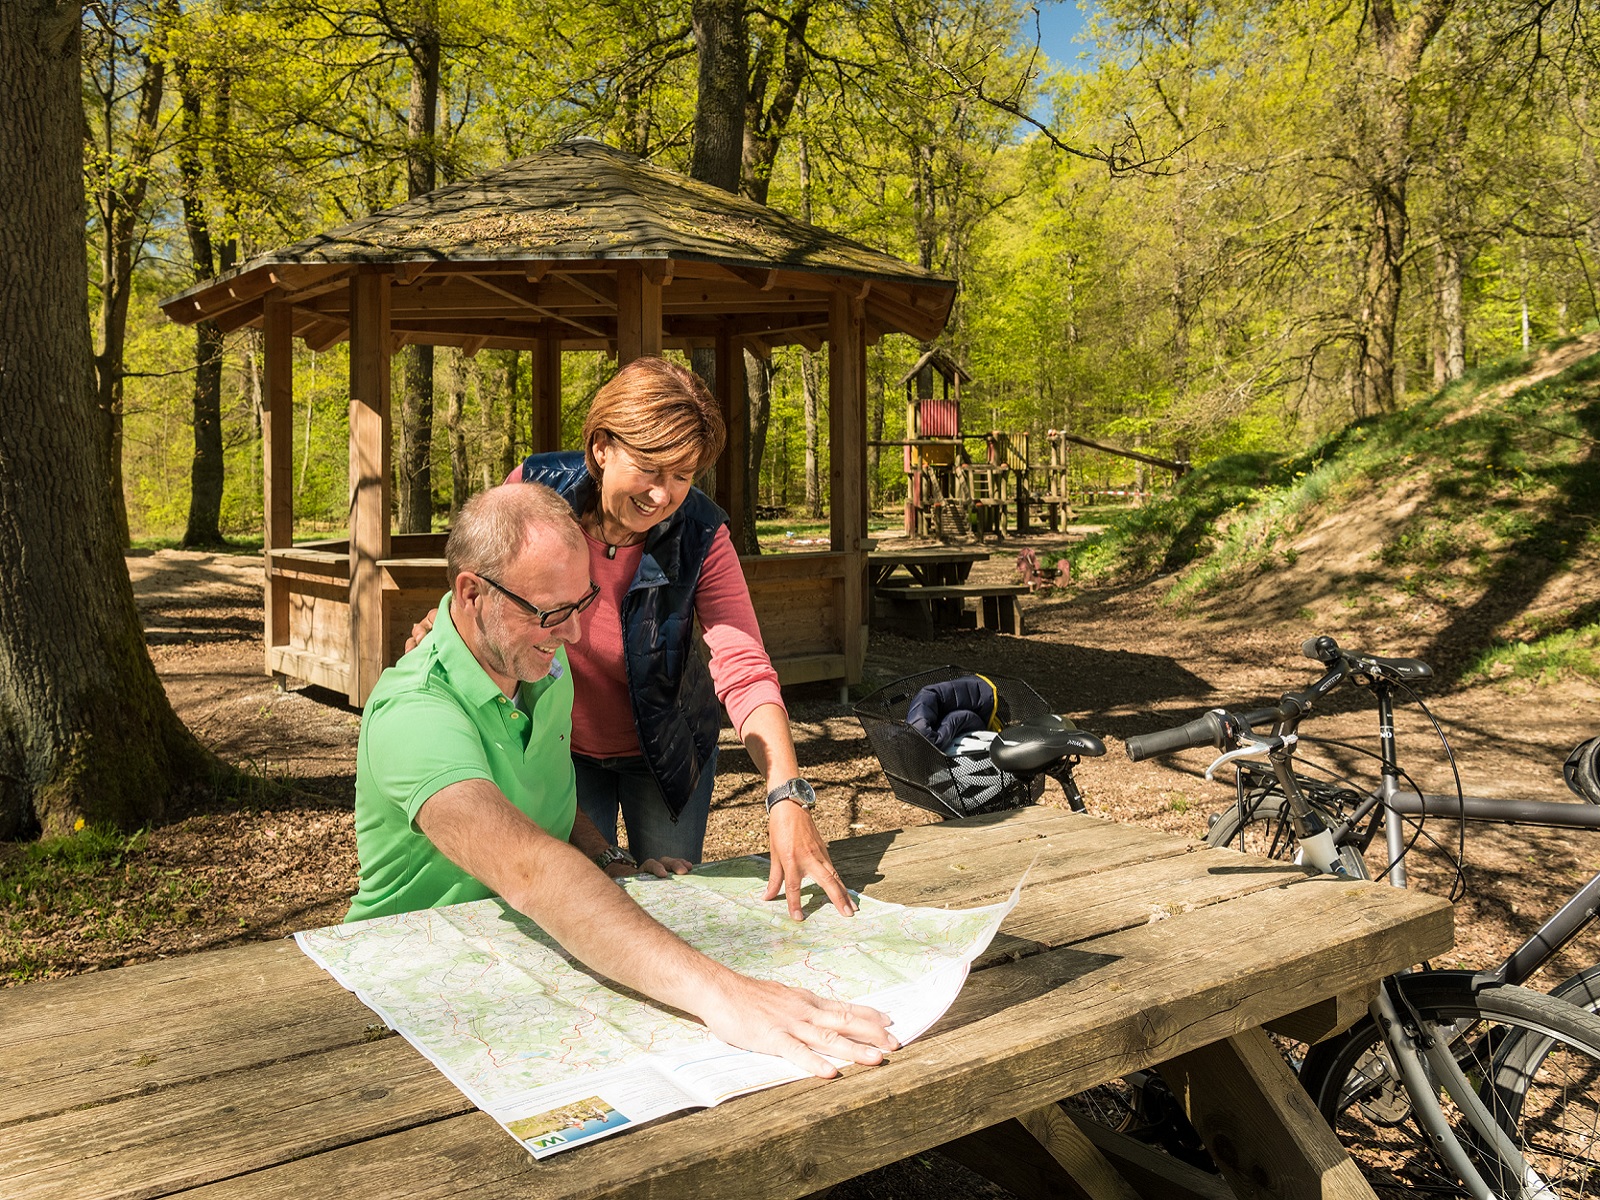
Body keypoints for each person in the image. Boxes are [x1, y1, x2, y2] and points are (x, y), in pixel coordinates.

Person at [351, 483, 896, 1077]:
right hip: (406, 994)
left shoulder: (541, 665)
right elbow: (530, 868)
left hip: (519, 959)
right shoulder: (415, 712)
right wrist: (725, 993)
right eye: (551, 613)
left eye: (582, 604)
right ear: (471, 593)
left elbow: (545, 805)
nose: (575, 636)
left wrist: (608, 856)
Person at [414, 356, 849, 921]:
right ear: (601, 448)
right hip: (557, 749)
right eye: (649, 467)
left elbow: (743, 664)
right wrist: (443, 623)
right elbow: (487, 589)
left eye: (683, 475)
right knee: (577, 903)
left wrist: (785, 791)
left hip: (666, 752)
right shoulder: (534, 492)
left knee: (666, 906)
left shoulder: (701, 532)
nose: (662, 495)